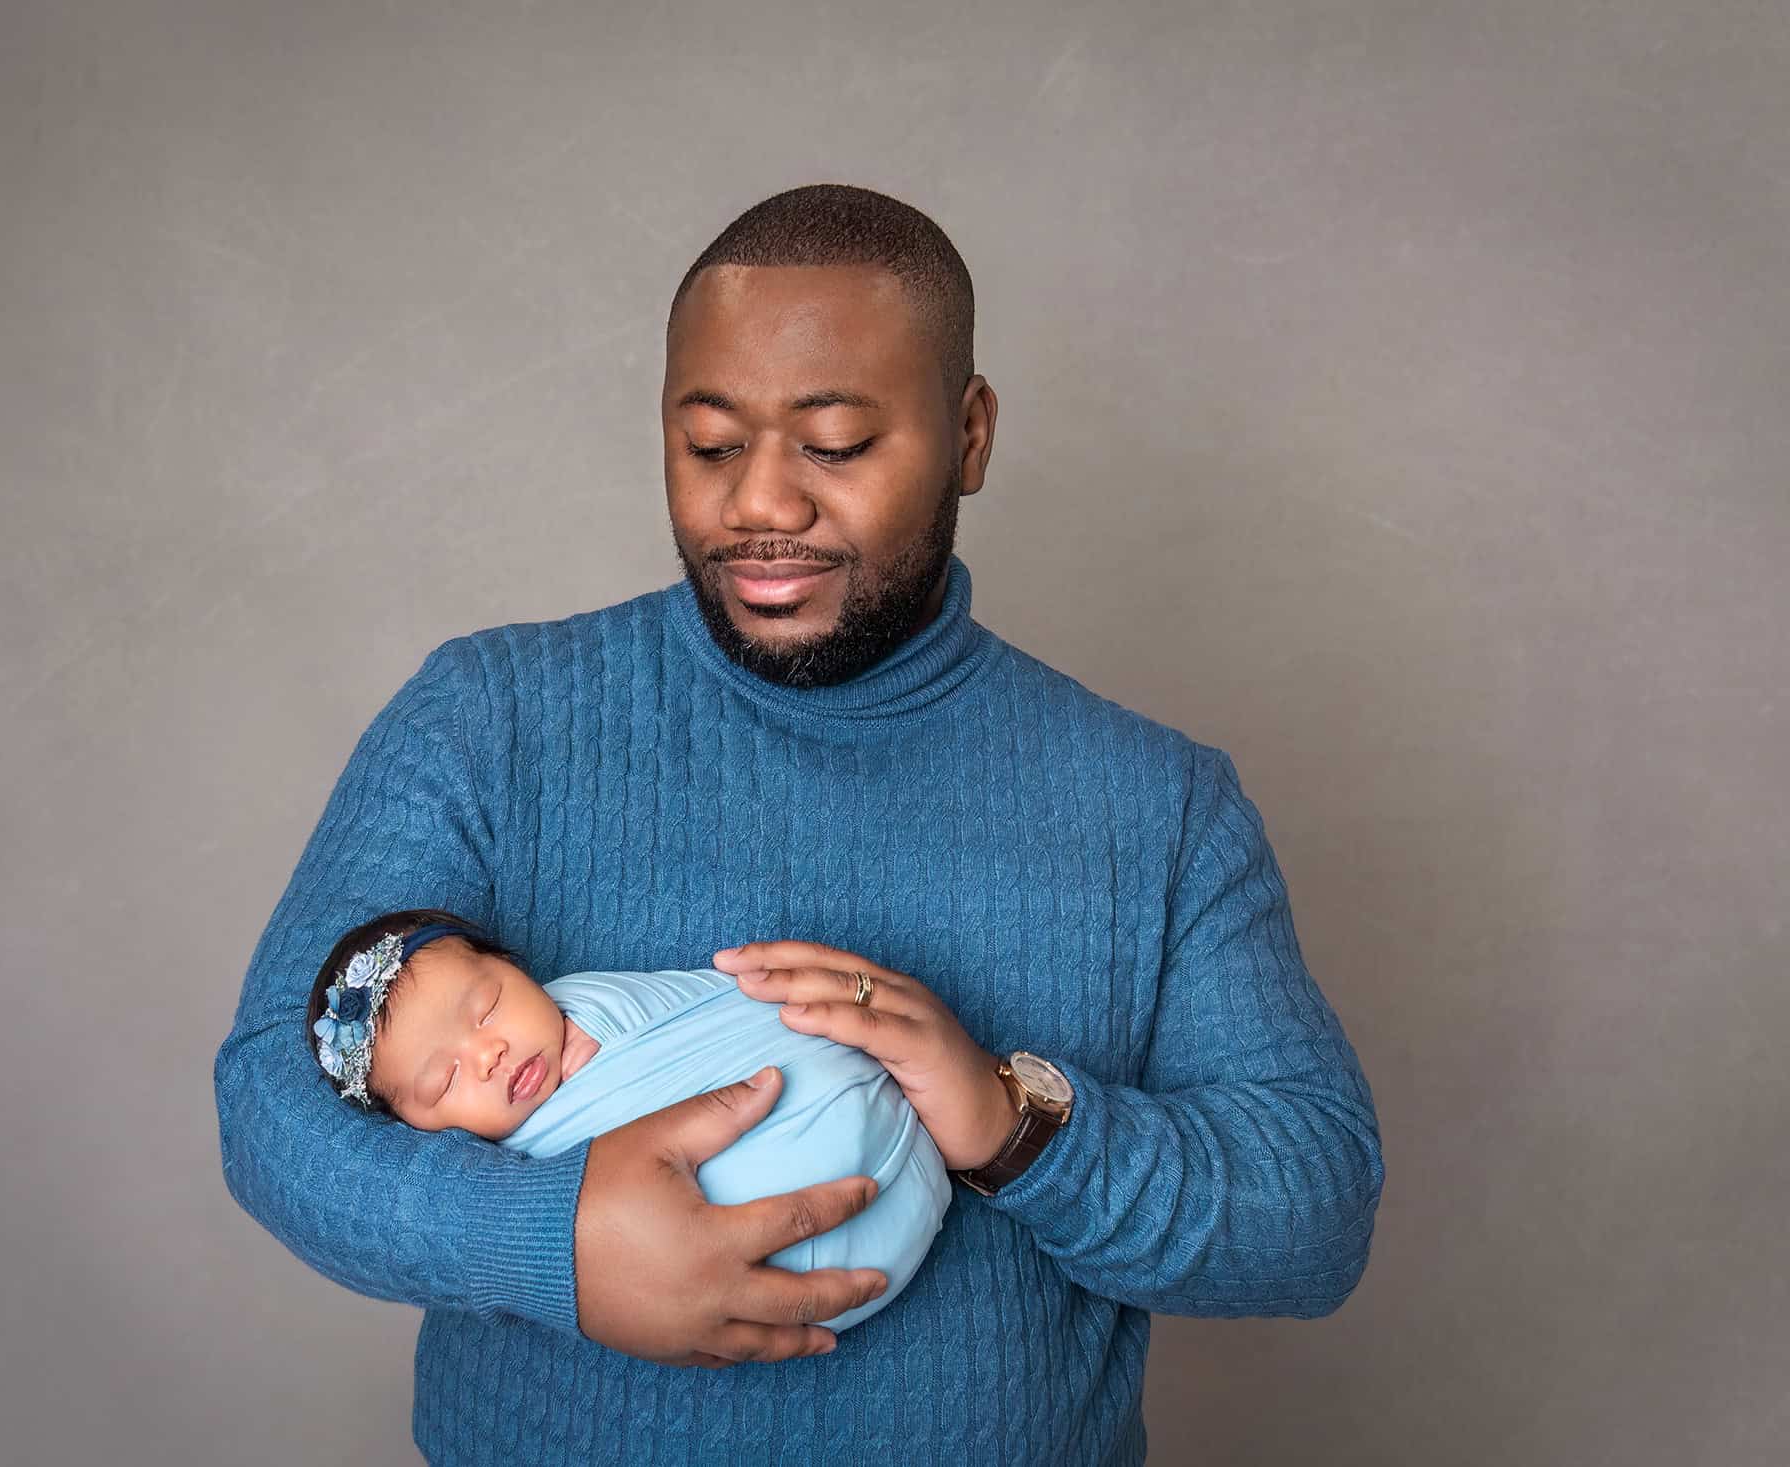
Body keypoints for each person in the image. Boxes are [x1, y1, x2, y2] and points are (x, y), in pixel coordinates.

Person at [214, 182, 1385, 1466]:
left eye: (833, 445)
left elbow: (1312, 1217)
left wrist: (1012, 1125)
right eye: (710, 446)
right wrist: (554, 1246)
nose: (760, 504)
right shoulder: (492, 718)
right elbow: (276, 1093)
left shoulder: (1155, 807)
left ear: (970, 435)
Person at [301, 907, 951, 1332]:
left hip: (901, 1123)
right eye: (444, 1079)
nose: (489, 1053)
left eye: (488, 1006)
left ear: (511, 964)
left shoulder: (584, 998)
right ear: (419, 1131)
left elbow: (711, 1000)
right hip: (821, 1263)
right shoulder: (506, 1169)